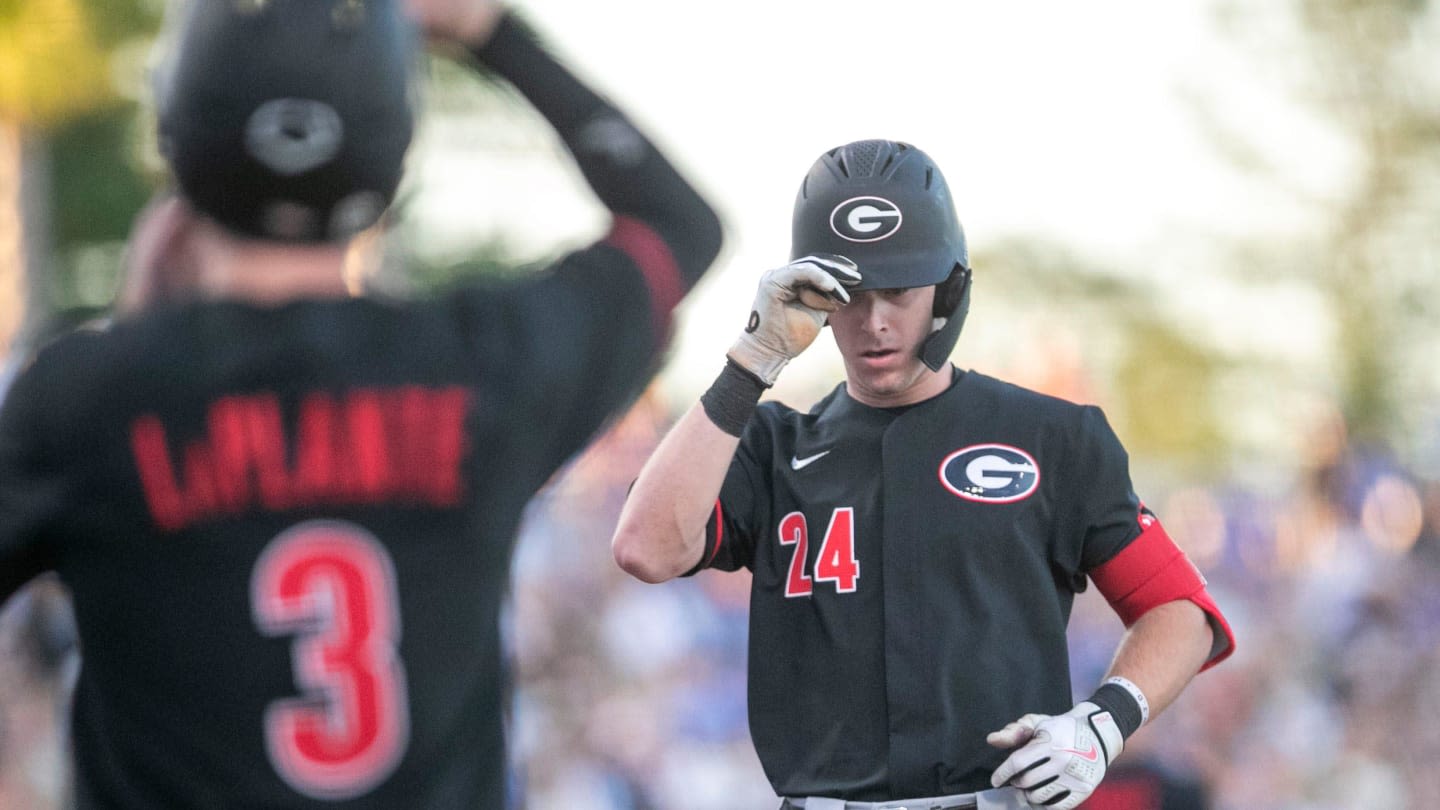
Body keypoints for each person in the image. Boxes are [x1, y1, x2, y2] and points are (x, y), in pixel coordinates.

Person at [0, 0, 723, 806]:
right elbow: (679, 225)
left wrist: (138, 340)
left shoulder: (87, 400)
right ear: (389, 151)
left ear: (183, 135)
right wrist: (489, 33)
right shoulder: (485, 366)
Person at [611, 139, 1235, 810]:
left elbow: (1180, 610)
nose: (875, 321)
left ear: (948, 287)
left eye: (899, 291)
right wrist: (748, 363)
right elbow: (646, 547)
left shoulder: (1054, 437)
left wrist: (1105, 721)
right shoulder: (771, 446)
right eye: (849, 294)